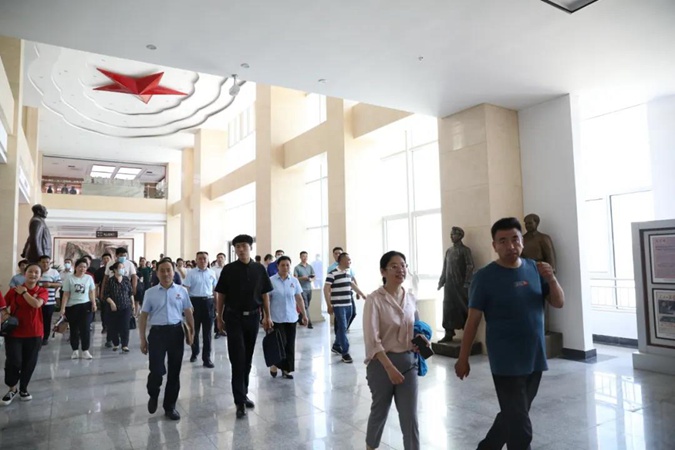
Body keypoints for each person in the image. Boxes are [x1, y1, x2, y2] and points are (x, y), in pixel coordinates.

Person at [455, 217, 565, 450]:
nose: (510, 246)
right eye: (503, 241)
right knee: (520, 428)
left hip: (535, 358)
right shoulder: (484, 277)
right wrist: (463, 358)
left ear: (522, 242)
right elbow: (473, 321)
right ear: (494, 246)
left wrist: (552, 279)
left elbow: (558, 302)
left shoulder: (534, 269)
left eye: (515, 239)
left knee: (515, 414)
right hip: (505, 361)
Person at [364, 251, 428, 450]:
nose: (400, 270)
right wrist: (390, 368)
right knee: (379, 412)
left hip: (408, 364)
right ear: (383, 271)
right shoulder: (374, 300)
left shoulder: (411, 298)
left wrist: (422, 339)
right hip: (382, 365)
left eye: (403, 265)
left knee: (410, 418)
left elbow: (416, 327)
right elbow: (372, 340)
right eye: (394, 266)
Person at [215, 234, 274, 418]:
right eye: (238, 246)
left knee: (247, 358)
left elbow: (265, 294)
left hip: (253, 318)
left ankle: (244, 392)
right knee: (237, 358)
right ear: (235, 250)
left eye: (244, 246)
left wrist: (267, 316)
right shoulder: (229, 269)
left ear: (250, 248)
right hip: (233, 318)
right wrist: (219, 317)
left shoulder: (259, 269)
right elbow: (221, 295)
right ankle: (239, 400)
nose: (241, 249)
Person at [139, 258, 194, 421]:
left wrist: (192, 333)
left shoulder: (182, 291)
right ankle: (153, 393)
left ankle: (170, 406)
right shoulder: (150, 293)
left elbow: (188, 312)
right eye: (162, 270)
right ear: (157, 273)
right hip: (157, 334)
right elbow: (143, 317)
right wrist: (142, 339)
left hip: (176, 333)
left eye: (168, 270)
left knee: (174, 371)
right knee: (156, 370)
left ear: (173, 271)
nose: (165, 273)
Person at [0, 263, 48, 405]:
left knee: (29, 363)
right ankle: (12, 388)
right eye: (30, 271)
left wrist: (24, 293)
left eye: (36, 272)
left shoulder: (42, 291)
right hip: (14, 333)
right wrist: (5, 315)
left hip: (34, 333)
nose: (33, 274)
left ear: (40, 276)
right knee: (13, 361)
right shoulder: (14, 291)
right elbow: (3, 305)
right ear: (24, 273)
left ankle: (23, 388)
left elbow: (36, 304)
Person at [269, 256, 308, 379]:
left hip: (291, 317)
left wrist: (304, 315)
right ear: (277, 266)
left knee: (290, 344)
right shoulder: (271, 280)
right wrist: (266, 316)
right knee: (279, 343)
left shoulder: (294, 281)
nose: (285, 267)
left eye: (287, 265)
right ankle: (275, 363)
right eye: (282, 265)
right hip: (276, 317)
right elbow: (267, 300)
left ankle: (287, 369)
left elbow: (299, 298)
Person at [324, 252, 366, 364]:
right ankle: (345, 353)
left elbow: (352, 285)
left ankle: (336, 345)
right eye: (348, 260)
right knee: (342, 327)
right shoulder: (332, 273)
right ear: (341, 260)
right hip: (338, 306)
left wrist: (362, 294)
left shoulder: (348, 272)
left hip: (348, 304)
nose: (350, 262)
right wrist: (329, 305)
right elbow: (326, 289)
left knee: (344, 327)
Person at [437, 226, 475, 343]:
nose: (451, 236)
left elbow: (470, 266)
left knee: (464, 307)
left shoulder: (465, 250)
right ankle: (448, 333)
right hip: (449, 285)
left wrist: (467, 282)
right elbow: (445, 267)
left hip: (461, 285)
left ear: (460, 236)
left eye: (454, 234)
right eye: (451, 234)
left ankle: (467, 334)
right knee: (447, 308)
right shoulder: (449, 251)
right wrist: (442, 281)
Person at [183, 251, 218, 368]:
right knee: (194, 330)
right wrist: (187, 306)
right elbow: (186, 290)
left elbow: (215, 290)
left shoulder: (212, 273)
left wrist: (217, 305)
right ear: (196, 260)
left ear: (208, 260)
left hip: (208, 303)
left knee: (207, 333)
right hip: (195, 303)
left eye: (204, 259)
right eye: (200, 258)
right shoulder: (191, 273)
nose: (202, 261)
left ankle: (206, 358)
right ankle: (194, 352)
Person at [60, 258, 97, 360]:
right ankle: (75, 350)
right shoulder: (69, 278)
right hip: (72, 306)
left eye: (84, 267)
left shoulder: (89, 278)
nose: (82, 269)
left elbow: (91, 291)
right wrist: (62, 308)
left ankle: (85, 350)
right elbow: (66, 294)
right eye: (80, 266)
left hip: (85, 306)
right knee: (74, 329)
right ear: (75, 267)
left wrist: (94, 303)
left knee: (85, 329)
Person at [103, 262, 135, 352]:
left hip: (126, 306)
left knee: (125, 326)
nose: (122, 269)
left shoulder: (126, 280)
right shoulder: (110, 281)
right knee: (113, 326)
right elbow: (106, 295)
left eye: (123, 268)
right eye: (121, 267)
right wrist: (112, 303)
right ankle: (116, 343)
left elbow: (130, 293)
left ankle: (125, 345)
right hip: (113, 308)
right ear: (115, 270)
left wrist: (132, 303)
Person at [37, 255, 61, 346]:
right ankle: (38, 336)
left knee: (47, 320)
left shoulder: (54, 272)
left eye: (47, 262)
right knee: (37, 320)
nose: (45, 264)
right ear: (39, 262)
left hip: (49, 301)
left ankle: (45, 337)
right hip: (36, 301)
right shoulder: (36, 271)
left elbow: (59, 284)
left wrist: (50, 284)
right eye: (43, 262)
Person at [293, 251, 316, 329]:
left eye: (306, 256)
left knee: (307, 304)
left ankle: (300, 317)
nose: (305, 258)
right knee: (305, 306)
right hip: (301, 289)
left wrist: (311, 279)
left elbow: (314, 277)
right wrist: (303, 278)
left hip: (309, 288)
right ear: (300, 257)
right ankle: (309, 322)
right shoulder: (297, 267)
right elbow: (295, 278)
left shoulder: (310, 267)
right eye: (303, 256)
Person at [95, 253, 113, 345]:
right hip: (104, 294)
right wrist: (97, 294)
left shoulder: (114, 269)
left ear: (111, 259)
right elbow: (97, 284)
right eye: (104, 258)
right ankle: (105, 326)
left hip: (113, 294)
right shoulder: (99, 271)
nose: (106, 260)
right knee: (104, 311)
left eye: (107, 258)